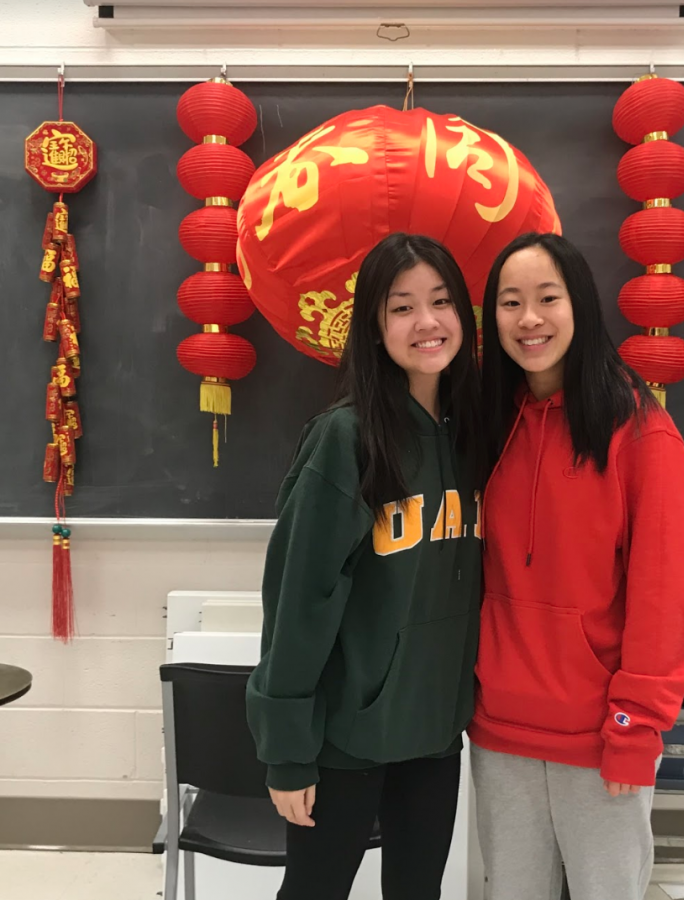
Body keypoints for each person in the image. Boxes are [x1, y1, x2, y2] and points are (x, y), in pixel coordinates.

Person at [246, 233, 484, 900]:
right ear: (375, 328)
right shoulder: (345, 439)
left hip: (434, 733)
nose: (427, 322)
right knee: (315, 890)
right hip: (344, 736)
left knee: (418, 892)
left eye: (440, 302)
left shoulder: (477, 436)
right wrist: (288, 752)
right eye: (401, 307)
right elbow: (299, 599)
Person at [469, 232, 684, 900]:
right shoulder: (488, 422)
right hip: (500, 730)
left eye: (548, 298)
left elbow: (664, 592)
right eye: (510, 303)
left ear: (582, 307)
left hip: (600, 735)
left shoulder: (639, 430)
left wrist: (635, 726)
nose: (529, 319)